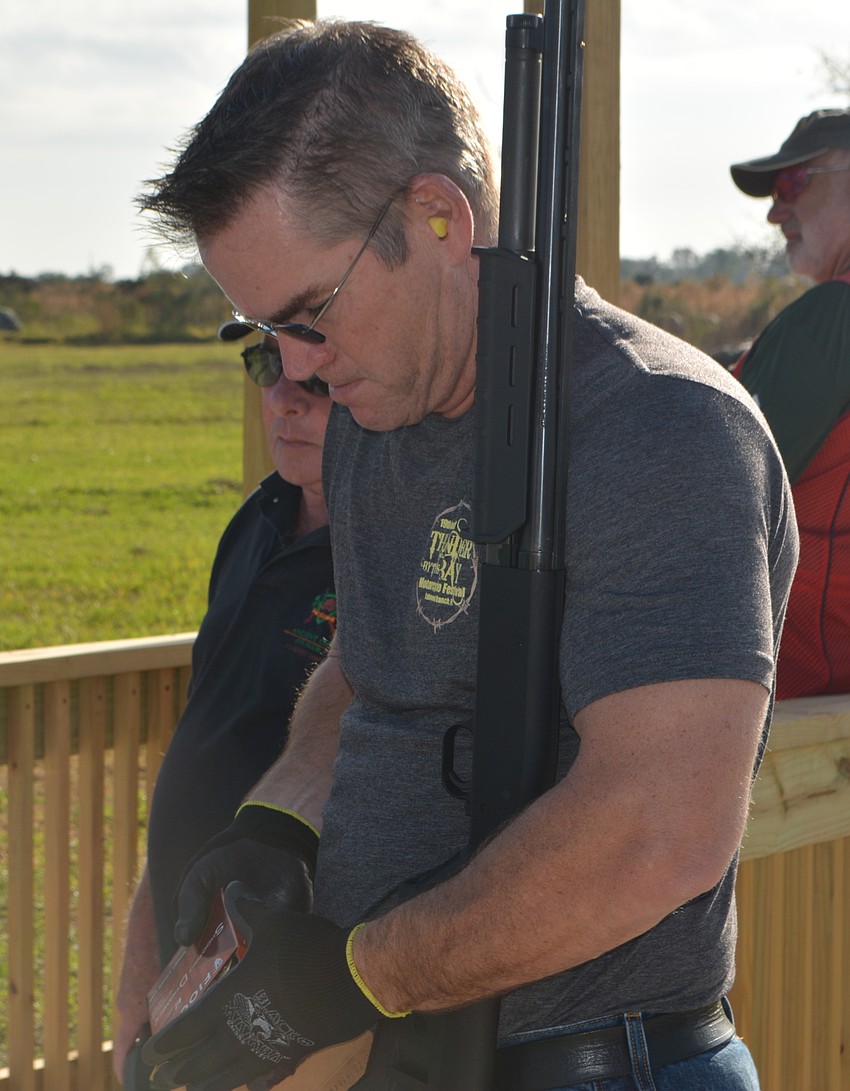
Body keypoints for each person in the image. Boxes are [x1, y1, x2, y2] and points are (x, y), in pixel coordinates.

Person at [135, 20, 798, 1091]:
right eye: (264, 334)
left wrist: (349, 975)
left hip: (604, 1064)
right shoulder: (370, 422)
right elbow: (369, 663)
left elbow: (656, 832)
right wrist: (278, 821)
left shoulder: (660, 428)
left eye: (310, 314)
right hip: (413, 1056)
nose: (295, 371)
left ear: (437, 215)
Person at [112, 326, 334, 1084]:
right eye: (267, 363)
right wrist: (137, 986)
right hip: (186, 987)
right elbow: (199, 748)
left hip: (283, 1024)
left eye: (318, 375)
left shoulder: (401, 562)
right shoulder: (257, 519)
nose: (285, 396)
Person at [730, 107, 850, 700]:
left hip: (799, 694)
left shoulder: (834, 316)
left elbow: (712, 486)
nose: (776, 211)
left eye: (794, 183)